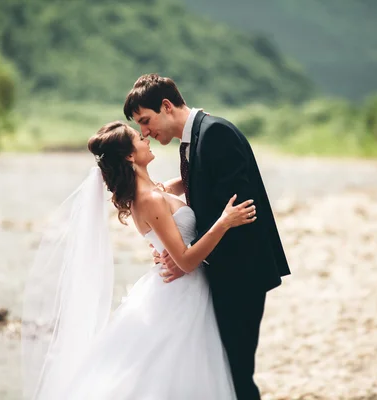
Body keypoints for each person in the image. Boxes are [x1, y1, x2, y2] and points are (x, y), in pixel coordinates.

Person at [22, 121, 257, 399]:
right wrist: (224, 222)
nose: (145, 137)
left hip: (181, 289)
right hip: (181, 294)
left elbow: (194, 182)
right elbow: (185, 262)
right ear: (130, 156)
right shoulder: (149, 199)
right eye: (137, 137)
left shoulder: (154, 191)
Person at [123, 73, 291, 399]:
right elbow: (206, 184)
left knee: (235, 370)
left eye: (145, 121)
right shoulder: (197, 136)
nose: (144, 132)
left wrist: (184, 255)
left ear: (167, 106)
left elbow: (236, 208)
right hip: (224, 272)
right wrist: (171, 195)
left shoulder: (215, 134)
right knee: (224, 370)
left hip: (240, 273)